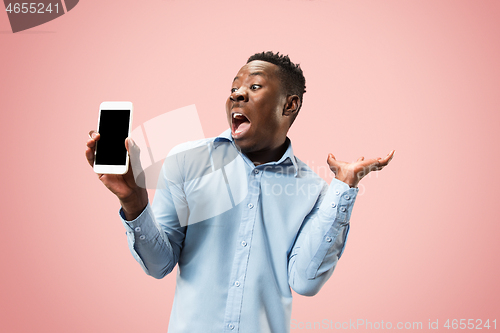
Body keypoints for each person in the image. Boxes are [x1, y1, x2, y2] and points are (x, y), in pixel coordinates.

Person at [85, 51, 394, 333]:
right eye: (233, 87)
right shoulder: (186, 162)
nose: (236, 93)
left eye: (255, 86)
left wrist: (343, 188)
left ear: (290, 104)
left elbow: (306, 282)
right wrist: (133, 201)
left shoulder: (313, 190)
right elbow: (159, 265)